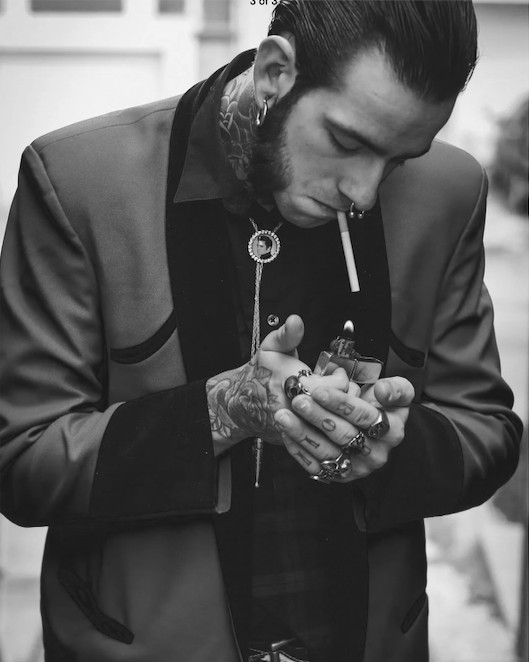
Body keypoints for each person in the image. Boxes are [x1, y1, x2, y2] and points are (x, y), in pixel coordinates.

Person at [0, 1, 523, 661]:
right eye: (348, 142)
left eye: (398, 160)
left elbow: (488, 432)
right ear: (275, 72)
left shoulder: (449, 191)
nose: (365, 191)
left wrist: (395, 444)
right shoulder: (79, 181)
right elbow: (21, 460)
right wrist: (226, 408)